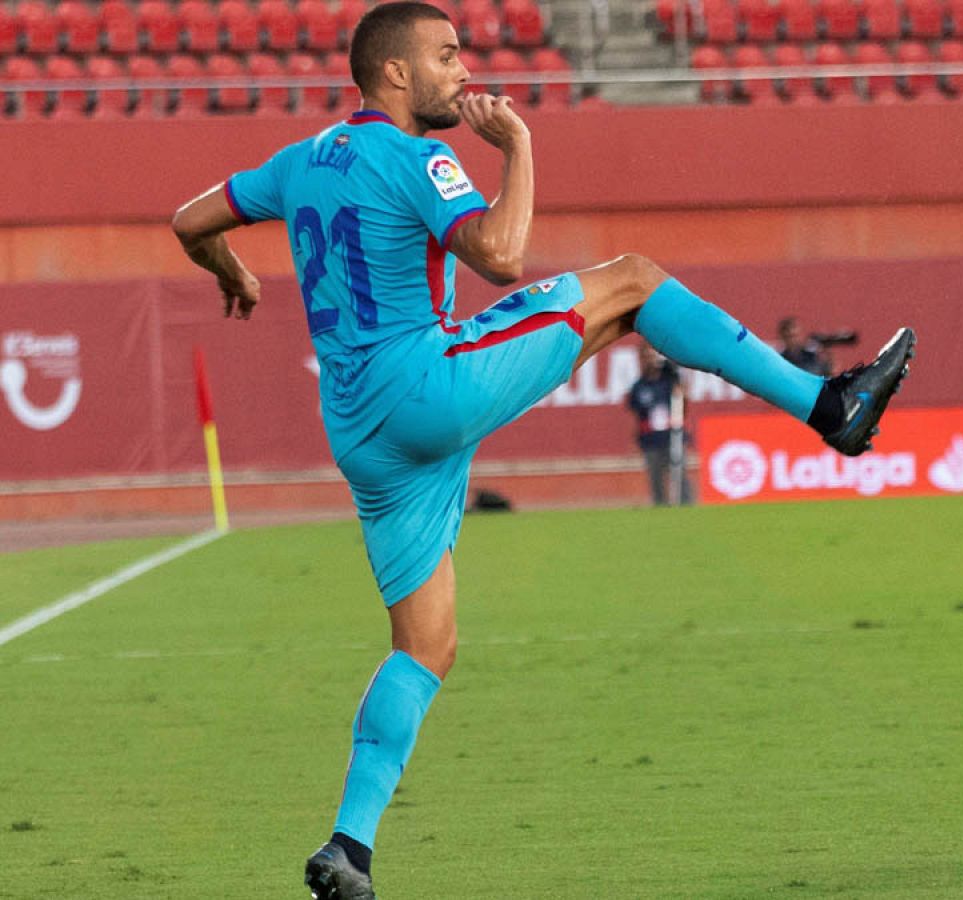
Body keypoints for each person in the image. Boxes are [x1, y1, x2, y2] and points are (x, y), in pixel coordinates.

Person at [169, 5, 915, 897]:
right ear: (395, 75)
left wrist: (233, 272)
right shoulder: (418, 156)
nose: (461, 70)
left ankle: (349, 848)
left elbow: (188, 220)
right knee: (635, 279)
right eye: (444, 56)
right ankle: (830, 405)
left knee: (425, 645)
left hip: (361, 434)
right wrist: (518, 147)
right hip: (426, 388)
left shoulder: (298, 163)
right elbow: (501, 254)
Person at [627, 347, 694, 506]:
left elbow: (683, 405)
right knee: (655, 477)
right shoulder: (639, 387)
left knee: (679, 473)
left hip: (672, 435)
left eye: (653, 357)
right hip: (651, 439)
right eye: (647, 357)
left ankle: (686, 505)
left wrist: (681, 393)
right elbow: (637, 413)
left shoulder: (670, 382)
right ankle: (660, 506)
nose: (651, 361)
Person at [777, 316, 856, 376]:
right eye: (789, 336)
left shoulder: (812, 355)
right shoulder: (780, 359)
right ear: (782, 337)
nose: (793, 340)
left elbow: (830, 372)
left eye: (796, 335)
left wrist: (829, 352)